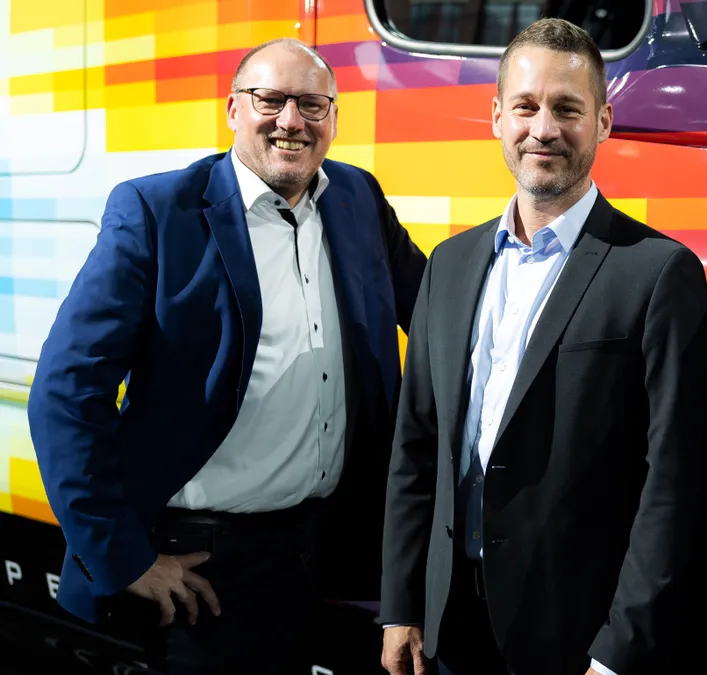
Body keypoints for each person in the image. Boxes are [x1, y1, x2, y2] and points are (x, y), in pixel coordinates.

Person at [27, 37, 426, 674]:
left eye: (312, 105)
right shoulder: (157, 212)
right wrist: (123, 556)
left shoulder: (358, 199)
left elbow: (434, 313)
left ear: (333, 119)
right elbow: (65, 393)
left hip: (331, 548)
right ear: (233, 109)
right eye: (271, 100)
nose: (292, 121)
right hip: (206, 565)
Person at [378, 18, 707, 675]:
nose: (544, 128)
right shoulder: (448, 264)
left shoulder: (656, 272)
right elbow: (415, 446)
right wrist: (401, 603)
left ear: (605, 122)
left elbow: (672, 484)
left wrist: (621, 648)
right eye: (527, 106)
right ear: (497, 116)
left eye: (568, 108)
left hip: (575, 637)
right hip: (450, 626)